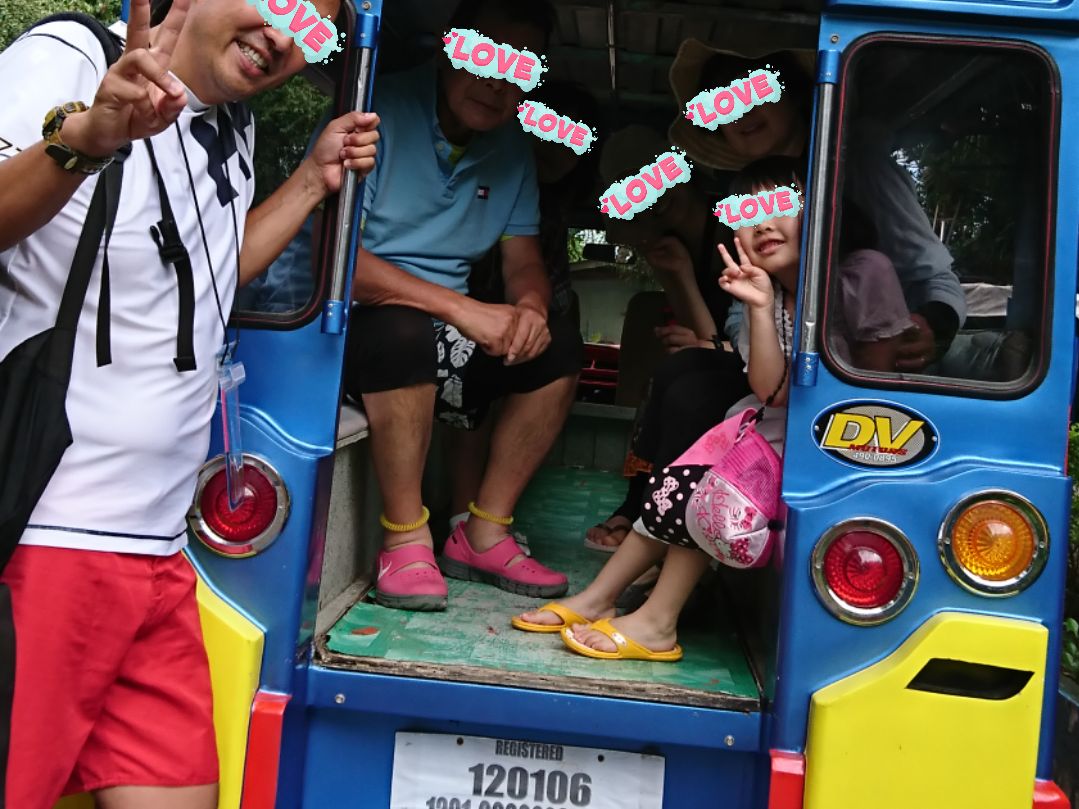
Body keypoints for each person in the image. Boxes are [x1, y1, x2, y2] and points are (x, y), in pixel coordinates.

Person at [0, 0, 379, 805]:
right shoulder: (73, 56)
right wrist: (84, 141)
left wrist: (310, 181)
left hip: (159, 553)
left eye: (312, 29)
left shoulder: (230, 128)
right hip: (48, 539)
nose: (284, 35)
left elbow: (205, 281)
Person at [513, 157, 912, 659]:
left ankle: (658, 622)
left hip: (842, 441)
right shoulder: (766, 292)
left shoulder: (863, 271)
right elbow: (770, 392)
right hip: (773, 427)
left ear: (821, 210)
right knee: (679, 482)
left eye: (779, 206)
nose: (761, 224)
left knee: (710, 479)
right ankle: (599, 598)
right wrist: (760, 307)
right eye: (746, 213)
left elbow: (872, 392)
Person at [344, 0, 575, 612]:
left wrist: (530, 309)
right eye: (485, 56)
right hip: (349, 328)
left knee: (556, 347)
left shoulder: (514, 150)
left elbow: (523, 261)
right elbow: (340, 264)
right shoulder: (375, 109)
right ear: (450, 46)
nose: (497, 82)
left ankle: (484, 532)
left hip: (442, 329)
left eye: (518, 68)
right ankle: (404, 538)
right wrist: (462, 310)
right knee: (402, 333)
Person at [445, 79, 597, 551]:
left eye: (573, 142)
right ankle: (461, 516)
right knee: (474, 401)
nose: (557, 150)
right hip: (464, 307)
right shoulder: (492, 172)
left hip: (529, 314)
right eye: (550, 132)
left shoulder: (558, 206)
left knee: (551, 359)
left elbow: (547, 280)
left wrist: (535, 315)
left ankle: (489, 519)